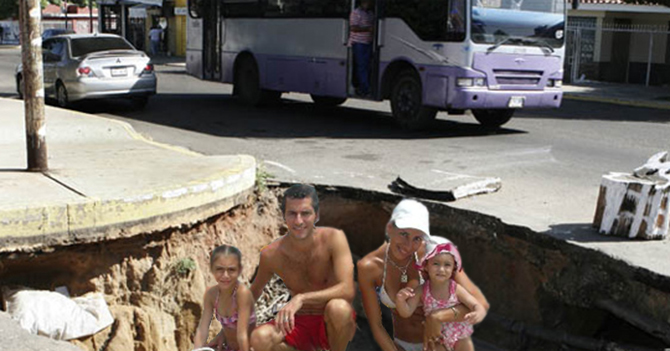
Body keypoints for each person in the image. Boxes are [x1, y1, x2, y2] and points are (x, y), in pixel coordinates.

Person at [357, 199, 489, 351]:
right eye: (404, 234)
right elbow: (376, 325)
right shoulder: (369, 267)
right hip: (401, 345)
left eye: (417, 238)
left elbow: (480, 304)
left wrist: (439, 316)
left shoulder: (437, 255)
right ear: (389, 228)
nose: (408, 245)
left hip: (441, 343)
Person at [249, 184, 356, 351]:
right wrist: (226, 332)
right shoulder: (271, 254)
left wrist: (301, 298)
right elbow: (253, 293)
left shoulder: (334, 238)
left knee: (338, 308)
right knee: (258, 338)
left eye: (305, 213)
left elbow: (347, 289)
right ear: (283, 216)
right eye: (292, 214)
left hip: (332, 323)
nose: (299, 221)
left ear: (317, 215)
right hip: (299, 322)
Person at [396, 239, 486, 351]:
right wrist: (400, 300)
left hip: (460, 335)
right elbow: (406, 312)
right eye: (436, 264)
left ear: (453, 268)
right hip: (436, 337)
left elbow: (475, 304)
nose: (441, 269)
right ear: (426, 266)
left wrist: (479, 312)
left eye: (447, 265)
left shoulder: (455, 288)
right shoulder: (422, 290)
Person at [194, 245, 256, 351]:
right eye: (219, 269)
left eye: (231, 270)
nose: (225, 275)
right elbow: (202, 329)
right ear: (212, 269)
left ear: (239, 270)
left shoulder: (242, 294)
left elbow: (242, 335)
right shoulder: (212, 294)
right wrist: (197, 349)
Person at [349, 0, 374, 97]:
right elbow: (353, 28)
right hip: (358, 43)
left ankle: (365, 86)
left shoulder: (370, 13)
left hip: (368, 42)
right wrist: (368, 29)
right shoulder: (356, 13)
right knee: (362, 66)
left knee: (366, 66)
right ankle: (365, 88)